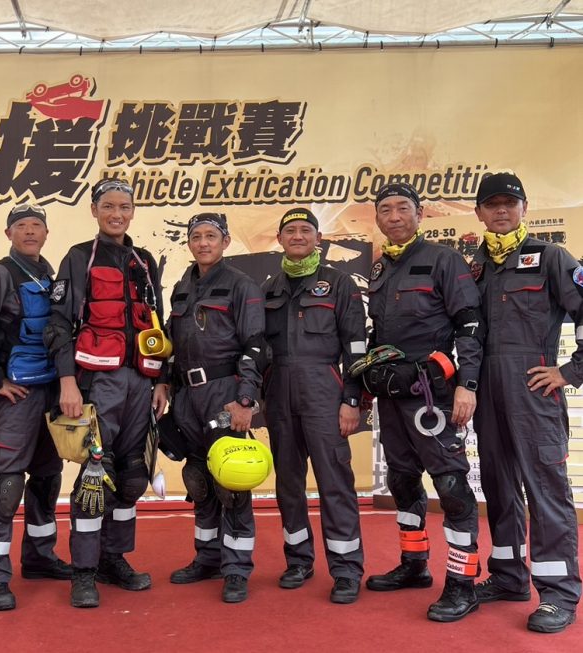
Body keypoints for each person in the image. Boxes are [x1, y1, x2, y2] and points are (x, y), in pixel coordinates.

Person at [363, 182, 484, 622]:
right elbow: (378, 336)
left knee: (451, 487)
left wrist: (468, 384)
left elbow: (470, 325)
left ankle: (462, 583)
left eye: (402, 208)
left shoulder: (444, 260)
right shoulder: (380, 268)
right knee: (402, 481)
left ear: (420, 214)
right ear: (378, 218)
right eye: (385, 209)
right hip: (391, 395)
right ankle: (414, 565)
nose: (394, 216)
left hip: (432, 395)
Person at [44, 178, 167, 609]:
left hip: (141, 383)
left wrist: (161, 380)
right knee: (95, 474)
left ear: (133, 211)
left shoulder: (145, 261)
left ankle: (114, 558)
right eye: (109, 206)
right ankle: (83, 571)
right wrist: (67, 381)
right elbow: (59, 324)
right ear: (94, 210)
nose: (117, 214)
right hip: (98, 382)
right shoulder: (79, 257)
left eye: (124, 206)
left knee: (132, 476)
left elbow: (157, 326)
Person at [470, 172, 581, 634]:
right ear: (479, 212)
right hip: (486, 391)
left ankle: (558, 594)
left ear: (524, 209)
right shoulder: (475, 266)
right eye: (492, 204)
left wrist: (569, 372)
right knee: (498, 486)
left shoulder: (551, 257)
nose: (501, 210)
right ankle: (508, 576)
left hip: (533, 390)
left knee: (546, 490)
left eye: (509, 203)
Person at [0, 203, 72, 612]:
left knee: (47, 478)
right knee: (7, 486)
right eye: (21, 225)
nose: (29, 231)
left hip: (52, 394)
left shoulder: (51, 277)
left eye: (36, 225)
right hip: (18, 396)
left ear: (46, 233)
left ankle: (40, 557)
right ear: (8, 233)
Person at [262, 207, 365, 604]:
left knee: (334, 483)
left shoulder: (339, 283)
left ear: (318, 239)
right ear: (280, 239)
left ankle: (346, 570)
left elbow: (356, 347)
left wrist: (351, 400)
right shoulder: (269, 287)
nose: (298, 236)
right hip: (279, 395)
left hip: (325, 392)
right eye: (290, 230)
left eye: (306, 230)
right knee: (288, 484)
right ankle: (298, 560)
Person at [166, 213, 266, 604]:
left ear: (225, 241)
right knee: (199, 479)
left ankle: (237, 568)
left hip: (225, 394)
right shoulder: (181, 286)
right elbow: (172, 345)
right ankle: (207, 557)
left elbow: (256, 344)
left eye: (211, 236)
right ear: (189, 242)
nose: (203, 243)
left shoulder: (241, 285)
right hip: (187, 397)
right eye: (196, 236)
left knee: (232, 480)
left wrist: (245, 399)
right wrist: (165, 387)